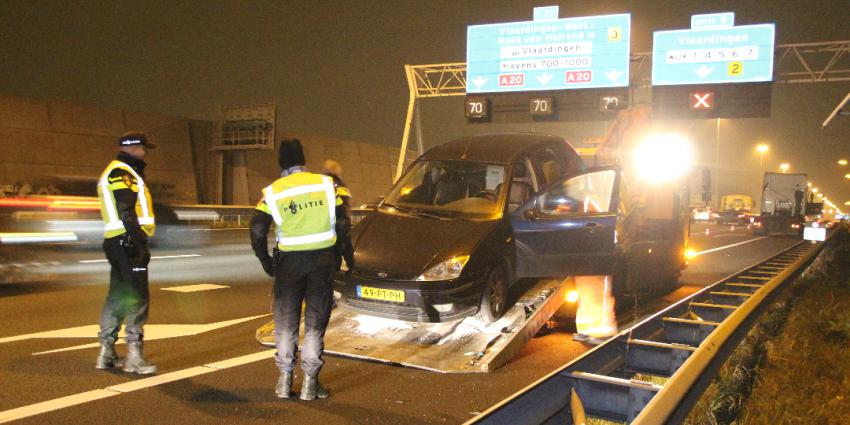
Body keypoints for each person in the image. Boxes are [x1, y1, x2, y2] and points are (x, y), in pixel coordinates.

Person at [250, 139, 354, 401]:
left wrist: (265, 260)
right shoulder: (325, 184)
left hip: (288, 265)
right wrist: (348, 257)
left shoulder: (273, 191)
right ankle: (310, 384)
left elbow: (257, 229)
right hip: (322, 263)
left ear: (281, 164)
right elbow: (343, 224)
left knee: (286, 323)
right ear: (303, 161)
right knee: (315, 323)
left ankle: (284, 381)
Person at [95, 131, 158, 375]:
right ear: (133, 148)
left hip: (116, 241)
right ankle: (134, 356)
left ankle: (106, 352)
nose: (145, 152)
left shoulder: (115, 171)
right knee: (137, 297)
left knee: (117, 295)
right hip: (128, 241)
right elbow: (126, 209)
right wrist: (139, 241)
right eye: (144, 148)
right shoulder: (123, 173)